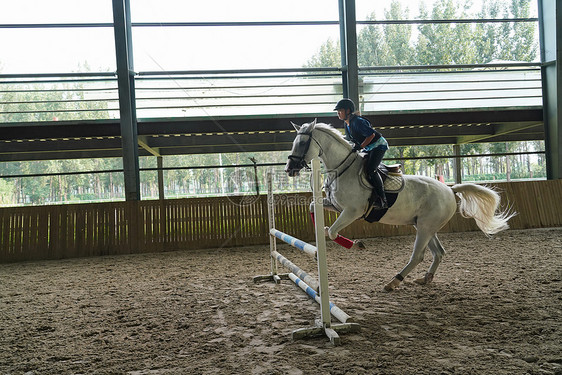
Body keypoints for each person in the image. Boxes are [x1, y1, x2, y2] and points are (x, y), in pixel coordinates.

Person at [334, 98, 389, 209]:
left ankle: (383, 199)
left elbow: (371, 135)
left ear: (348, 111)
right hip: (368, 147)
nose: (338, 113)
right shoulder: (347, 124)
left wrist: (361, 146)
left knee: (370, 170)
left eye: (340, 111)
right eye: (337, 111)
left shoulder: (357, 122)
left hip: (378, 145)